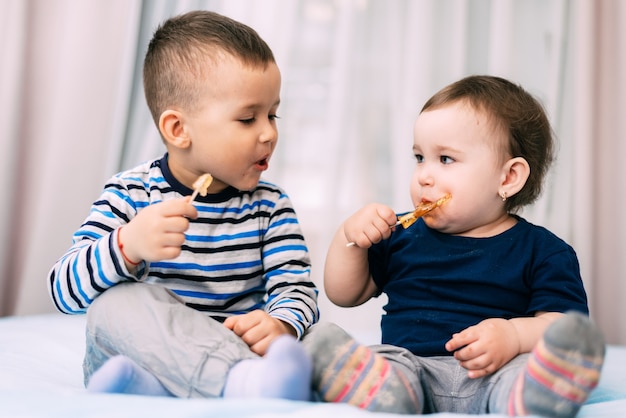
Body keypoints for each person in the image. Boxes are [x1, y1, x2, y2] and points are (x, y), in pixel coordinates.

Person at [47, 10, 318, 401]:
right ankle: (233, 383)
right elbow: (62, 291)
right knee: (117, 302)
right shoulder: (130, 194)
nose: (269, 133)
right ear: (178, 129)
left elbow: (295, 286)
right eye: (247, 118)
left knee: (320, 336)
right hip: (143, 355)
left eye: (272, 114)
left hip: (238, 351)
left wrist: (281, 324)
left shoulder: (270, 206)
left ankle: (154, 391)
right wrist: (127, 246)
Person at [302, 75, 605, 417]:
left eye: (445, 159)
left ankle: (533, 398)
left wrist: (514, 336)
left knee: (522, 372)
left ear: (507, 178)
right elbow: (345, 294)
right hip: (409, 366)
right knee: (377, 359)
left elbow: (562, 327)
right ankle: (382, 393)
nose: (424, 176)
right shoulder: (401, 232)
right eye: (419, 157)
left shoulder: (544, 251)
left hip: (492, 373)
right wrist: (350, 239)